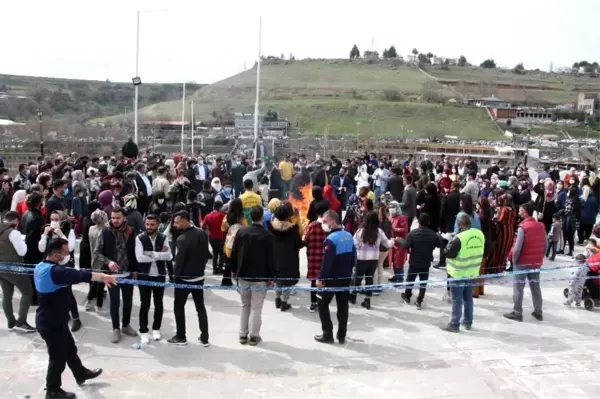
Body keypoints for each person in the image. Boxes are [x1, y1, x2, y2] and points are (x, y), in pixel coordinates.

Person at [34, 237, 116, 399]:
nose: (68, 256)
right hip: (50, 322)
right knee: (57, 357)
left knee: (70, 348)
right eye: (65, 253)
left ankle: (80, 373)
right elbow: (79, 275)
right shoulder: (56, 272)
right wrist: (102, 277)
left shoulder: (41, 266)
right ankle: (52, 390)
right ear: (56, 255)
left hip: (54, 320)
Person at [229, 206, 275, 345]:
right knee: (256, 307)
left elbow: (234, 253)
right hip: (260, 276)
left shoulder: (241, 232)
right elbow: (270, 259)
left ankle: (242, 334)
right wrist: (270, 277)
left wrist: (234, 272)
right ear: (262, 217)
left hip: (243, 274)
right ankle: (254, 336)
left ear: (250, 217)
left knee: (244, 306)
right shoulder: (268, 236)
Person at [94, 206, 138, 343]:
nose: (115, 220)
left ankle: (125, 325)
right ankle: (115, 329)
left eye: (118, 218)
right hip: (112, 275)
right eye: (113, 218)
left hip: (127, 274)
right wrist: (108, 262)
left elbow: (135, 252)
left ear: (124, 218)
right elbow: (97, 252)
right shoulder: (105, 232)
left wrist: (135, 269)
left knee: (128, 301)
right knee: (114, 303)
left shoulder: (131, 232)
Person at [168, 210, 211, 346]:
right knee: (200, 307)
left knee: (178, 307)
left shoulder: (182, 239)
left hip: (184, 280)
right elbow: (207, 255)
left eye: (176, 222)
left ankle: (181, 336)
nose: (174, 225)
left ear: (184, 220)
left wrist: (175, 276)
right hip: (199, 278)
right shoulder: (201, 233)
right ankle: (204, 336)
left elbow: (179, 262)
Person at [314, 210, 356, 344]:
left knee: (322, 303)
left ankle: (327, 334)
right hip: (345, 278)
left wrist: (320, 279)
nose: (324, 225)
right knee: (343, 307)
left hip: (331, 279)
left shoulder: (331, 240)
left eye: (325, 222)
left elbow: (327, 263)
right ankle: (342, 335)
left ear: (332, 222)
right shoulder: (349, 236)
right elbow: (354, 259)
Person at [441, 213, 485, 332]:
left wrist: (448, 242)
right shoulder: (479, 234)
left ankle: (454, 324)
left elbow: (448, 253)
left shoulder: (459, 238)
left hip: (458, 273)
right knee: (468, 298)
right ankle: (468, 321)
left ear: (460, 225)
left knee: (457, 299)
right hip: (472, 271)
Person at [39, 211, 80, 332]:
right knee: (56, 293)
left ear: (62, 220)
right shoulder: (48, 231)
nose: (54, 222)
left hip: (64, 266)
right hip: (51, 267)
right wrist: (45, 235)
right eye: (52, 219)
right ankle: (62, 315)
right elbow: (41, 248)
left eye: (56, 219)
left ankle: (76, 318)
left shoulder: (68, 231)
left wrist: (61, 234)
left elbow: (70, 247)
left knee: (68, 292)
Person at [504, 202, 546, 322]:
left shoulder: (523, 227)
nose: (519, 212)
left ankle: (517, 312)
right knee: (535, 287)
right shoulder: (541, 226)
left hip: (522, 262)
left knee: (518, 288)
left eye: (521, 210)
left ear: (525, 212)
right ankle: (538, 311)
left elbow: (517, 247)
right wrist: (540, 258)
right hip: (535, 263)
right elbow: (545, 245)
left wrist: (514, 260)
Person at [134, 214, 172, 344]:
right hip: (144, 276)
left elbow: (169, 256)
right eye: (147, 224)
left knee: (158, 303)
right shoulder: (139, 238)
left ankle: (156, 329)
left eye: (152, 225)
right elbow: (139, 258)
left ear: (157, 225)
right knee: (145, 304)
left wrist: (152, 254)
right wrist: (159, 255)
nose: (149, 227)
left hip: (159, 276)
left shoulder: (163, 237)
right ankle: (143, 331)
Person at [350, 211, 396, 310]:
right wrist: (393, 241)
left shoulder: (360, 231)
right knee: (369, 279)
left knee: (357, 278)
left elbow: (353, 243)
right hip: (373, 260)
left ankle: (353, 296)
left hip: (361, 259)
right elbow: (387, 244)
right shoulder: (379, 232)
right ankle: (367, 300)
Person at [0, 211, 35, 332]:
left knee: (6, 295)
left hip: (1, 267)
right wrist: (23, 242)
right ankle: (21, 321)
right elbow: (22, 252)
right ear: (15, 220)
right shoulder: (14, 233)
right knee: (27, 292)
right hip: (15, 267)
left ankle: (11, 320)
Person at [399, 213, 443, 309]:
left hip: (414, 262)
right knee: (423, 282)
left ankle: (407, 296)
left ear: (418, 222)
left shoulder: (412, 234)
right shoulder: (433, 235)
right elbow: (439, 245)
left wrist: (399, 240)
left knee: (410, 280)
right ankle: (419, 300)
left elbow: (405, 246)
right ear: (429, 223)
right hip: (426, 262)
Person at [268, 205, 304, 311]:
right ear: (288, 215)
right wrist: (306, 242)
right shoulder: (293, 228)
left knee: (277, 279)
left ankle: (277, 299)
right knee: (287, 281)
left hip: (275, 257)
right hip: (289, 258)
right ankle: (284, 302)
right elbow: (298, 244)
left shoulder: (270, 227)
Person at [303, 201, 329, 312]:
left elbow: (305, 241)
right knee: (325, 282)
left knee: (314, 283)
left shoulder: (312, 226)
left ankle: (313, 303)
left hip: (313, 259)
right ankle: (323, 303)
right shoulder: (329, 227)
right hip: (325, 260)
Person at [85, 209, 107, 311]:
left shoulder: (91, 229)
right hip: (101, 259)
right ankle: (99, 305)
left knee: (94, 282)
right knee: (100, 283)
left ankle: (89, 301)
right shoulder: (104, 231)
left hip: (93, 258)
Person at [202, 201, 226, 274]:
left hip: (211, 237)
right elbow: (225, 226)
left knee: (215, 253)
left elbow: (203, 226)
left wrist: (209, 231)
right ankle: (220, 268)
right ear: (219, 207)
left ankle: (214, 269)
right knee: (222, 253)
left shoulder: (207, 216)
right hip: (220, 236)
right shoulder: (222, 215)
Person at [388, 201, 409, 283]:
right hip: (392, 242)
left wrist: (395, 229)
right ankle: (396, 275)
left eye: (392, 207)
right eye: (389, 208)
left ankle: (400, 278)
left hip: (400, 242)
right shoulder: (390, 217)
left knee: (399, 261)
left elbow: (405, 230)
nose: (391, 209)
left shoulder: (402, 217)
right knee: (394, 260)